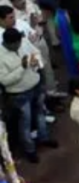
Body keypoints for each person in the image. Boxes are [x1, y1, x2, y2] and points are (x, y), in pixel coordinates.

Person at [0, 28, 57, 163]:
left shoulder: (23, 43)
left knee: (40, 113)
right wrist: (22, 67)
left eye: (20, 42)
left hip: (35, 86)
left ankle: (44, 138)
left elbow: (35, 52)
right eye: (17, 44)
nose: (20, 45)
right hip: (19, 94)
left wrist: (36, 62)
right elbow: (5, 80)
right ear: (8, 43)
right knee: (25, 122)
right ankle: (29, 150)